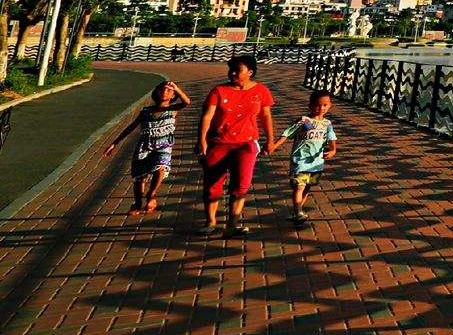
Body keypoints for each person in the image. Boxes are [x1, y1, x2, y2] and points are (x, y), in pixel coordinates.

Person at [197, 55, 277, 236]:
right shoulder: (219, 91)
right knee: (212, 184)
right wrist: (201, 141)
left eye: (237, 70)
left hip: (246, 144)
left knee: (241, 184)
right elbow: (207, 117)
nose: (232, 73)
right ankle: (210, 222)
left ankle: (232, 224)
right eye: (231, 69)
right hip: (219, 142)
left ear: (250, 72)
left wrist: (270, 140)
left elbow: (266, 116)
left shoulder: (261, 91)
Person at [102, 80, 192, 215]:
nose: (164, 92)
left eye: (169, 91)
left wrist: (176, 88)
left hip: (163, 145)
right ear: (156, 92)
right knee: (139, 177)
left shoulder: (172, 109)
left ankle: (152, 194)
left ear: (174, 96)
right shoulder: (146, 111)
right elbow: (131, 127)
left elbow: (187, 102)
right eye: (162, 89)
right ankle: (137, 203)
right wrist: (114, 143)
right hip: (144, 146)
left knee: (161, 167)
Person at [277, 90, 338, 226]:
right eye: (317, 105)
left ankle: (297, 211)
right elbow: (287, 133)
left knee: (307, 187)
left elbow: (332, 138)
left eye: (325, 105)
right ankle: (298, 212)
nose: (321, 108)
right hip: (300, 160)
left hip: (316, 163)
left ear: (330, 105)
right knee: (299, 186)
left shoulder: (327, 124)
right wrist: (274, 145)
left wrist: (333, 150)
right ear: (310, 105)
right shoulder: (304, 121)